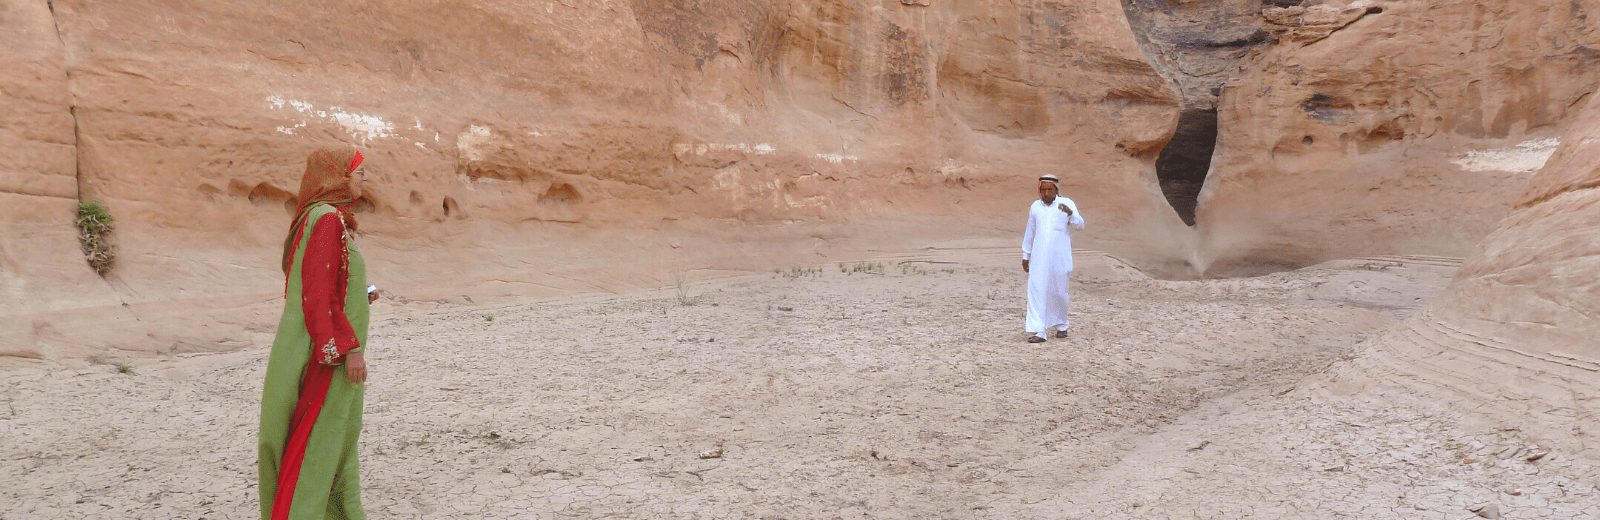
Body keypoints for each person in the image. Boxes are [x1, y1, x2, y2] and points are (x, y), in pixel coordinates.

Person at [259, 145, 372, 520]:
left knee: (328, 438)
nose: (363, 178)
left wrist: (361, 295)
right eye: (358, 171)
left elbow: (324, 284)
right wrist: (348, 348)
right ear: (338, 176)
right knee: (319, 441)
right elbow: (318, 293)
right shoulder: (326, 219)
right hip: (327, 356)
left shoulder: (317, 216)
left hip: (319, 343)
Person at [1021, 174, 1084, 343]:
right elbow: (1030, 232)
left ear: (1056, 190)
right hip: (1039, 258)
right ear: (1039, 191)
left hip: (1060, 257)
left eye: (1050, 189)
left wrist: (1071, 214)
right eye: (1043, 190)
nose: (1047, 193)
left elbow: (1079, 225)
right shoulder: (1035, 207)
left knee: (1059, 292)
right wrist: (1025, 255)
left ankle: (1062, 325)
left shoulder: (1067, 203)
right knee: (1037, 290)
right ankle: (1039, 331)